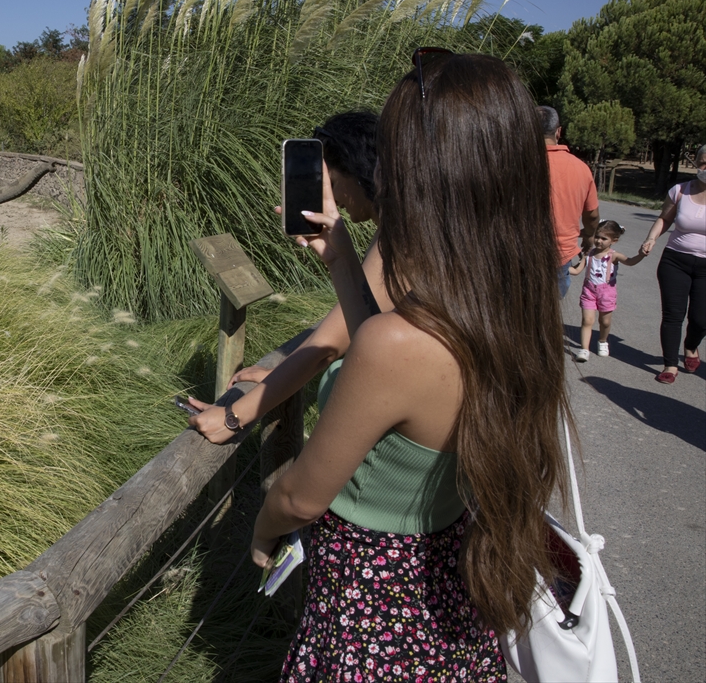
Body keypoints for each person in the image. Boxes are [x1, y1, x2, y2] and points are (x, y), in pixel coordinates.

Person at [225, 53, 567, 681]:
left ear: (424, 168)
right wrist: (342, 261)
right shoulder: (513, 303)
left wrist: (262, 526)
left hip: (372, 603)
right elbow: (393, 373)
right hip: (446, 576)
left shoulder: (401, 341)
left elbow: (302, 498)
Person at [185, 111, 389, 439]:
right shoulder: (399, 233)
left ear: (361, 169)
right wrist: (275, 376)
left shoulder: (395, 240)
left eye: (333, 184)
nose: (332, 198)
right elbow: (345, 331)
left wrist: (233, 417)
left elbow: (329, 345)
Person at [641, 145, 706, 383]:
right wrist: (651, 238)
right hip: (675, 261)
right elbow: (664, 218)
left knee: (701, 318)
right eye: (703, 162)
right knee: (672, 315)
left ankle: (690, 346)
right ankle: (670, 364)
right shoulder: (680, 190)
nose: (705, 168)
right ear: (696, 162)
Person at [540, 106, 599, 298]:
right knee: (547, 311)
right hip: (560, 253)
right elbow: (592, 215)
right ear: (558, 131)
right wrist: (589, 237)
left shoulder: (512, 163)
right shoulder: (581, 169)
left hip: (519, 253)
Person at [568, 220, 645, 361]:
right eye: (597, 237)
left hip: (607, 292)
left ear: (613, 241)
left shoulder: (614, 256)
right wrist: (562, 268)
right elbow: (577, 270)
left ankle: (602, 341)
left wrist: (641, 255)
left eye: (604, 238)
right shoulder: (589, 254)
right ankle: (584, 349)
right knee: (587, 320)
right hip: (589, 291)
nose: (599, 241)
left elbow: (630, 261)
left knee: (605, 322)